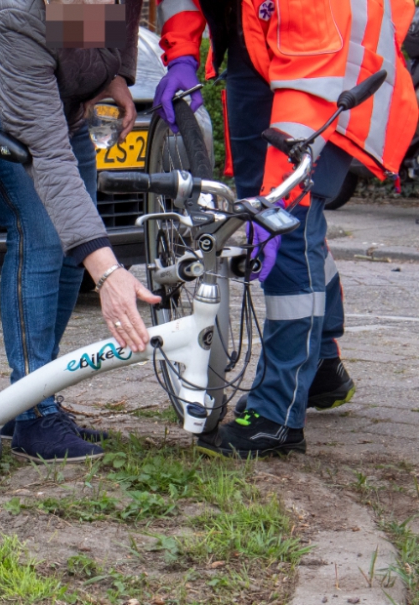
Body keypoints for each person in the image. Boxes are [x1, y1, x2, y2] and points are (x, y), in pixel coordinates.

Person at [155, 0, 418, 457]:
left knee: (285, 225)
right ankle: (320, 367)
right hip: (255, 50)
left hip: (331, 60)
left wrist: (280, 196)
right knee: (282, 223)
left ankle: (278, 412)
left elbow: (314, 57)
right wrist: (180, 52)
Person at [0, 0, 158, 462]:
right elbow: (47, 154)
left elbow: (116, 17)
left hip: (50, 92)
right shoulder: (16, 12)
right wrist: (106, 273)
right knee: (44, 233)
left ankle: (36, 396)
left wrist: (114, 75)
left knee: (73, 243)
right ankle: (34, 414)